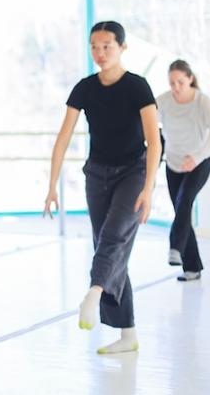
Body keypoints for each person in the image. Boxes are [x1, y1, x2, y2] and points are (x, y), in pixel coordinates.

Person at [44, 21, 160, 355]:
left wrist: (149, 188)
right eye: (95, 46)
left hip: (133, 173)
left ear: (122, 48)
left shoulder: (138, 86)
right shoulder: (85, 88)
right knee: (110, 249)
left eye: (107, 46)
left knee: (111, 240)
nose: (100, 53)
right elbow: (64, 135)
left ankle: (93, 294)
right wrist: (52, 184)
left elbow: (154, 140)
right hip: (97, 174)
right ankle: (128, 334)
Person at [156, 59, 210, 282]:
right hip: (174, 163)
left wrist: (197, 157)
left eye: (180, 82)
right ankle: (192, 268)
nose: (176, 87)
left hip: (198, 162)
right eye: (172, 83)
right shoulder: (164, 101)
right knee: (180, 211)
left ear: (190, 79)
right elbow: (147, 121)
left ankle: (174, 247)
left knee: (185, 203)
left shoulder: (202, 101)